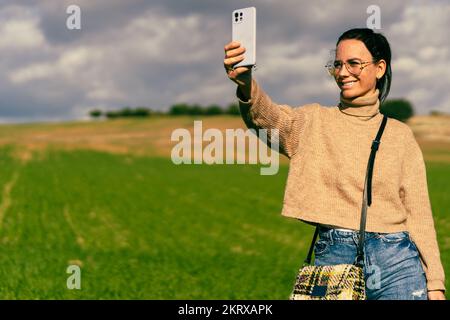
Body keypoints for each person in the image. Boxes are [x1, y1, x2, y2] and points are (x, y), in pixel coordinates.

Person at [223, 28, 446, 300]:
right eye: (337, 64)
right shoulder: (313, 121)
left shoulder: (400, 135)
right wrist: (246, 84)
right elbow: (268, 120)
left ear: (379, 68)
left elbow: (419, 212)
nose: (342, 73)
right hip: (337, 255)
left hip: (397, 260)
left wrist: (435, 283)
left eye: (353, 63)